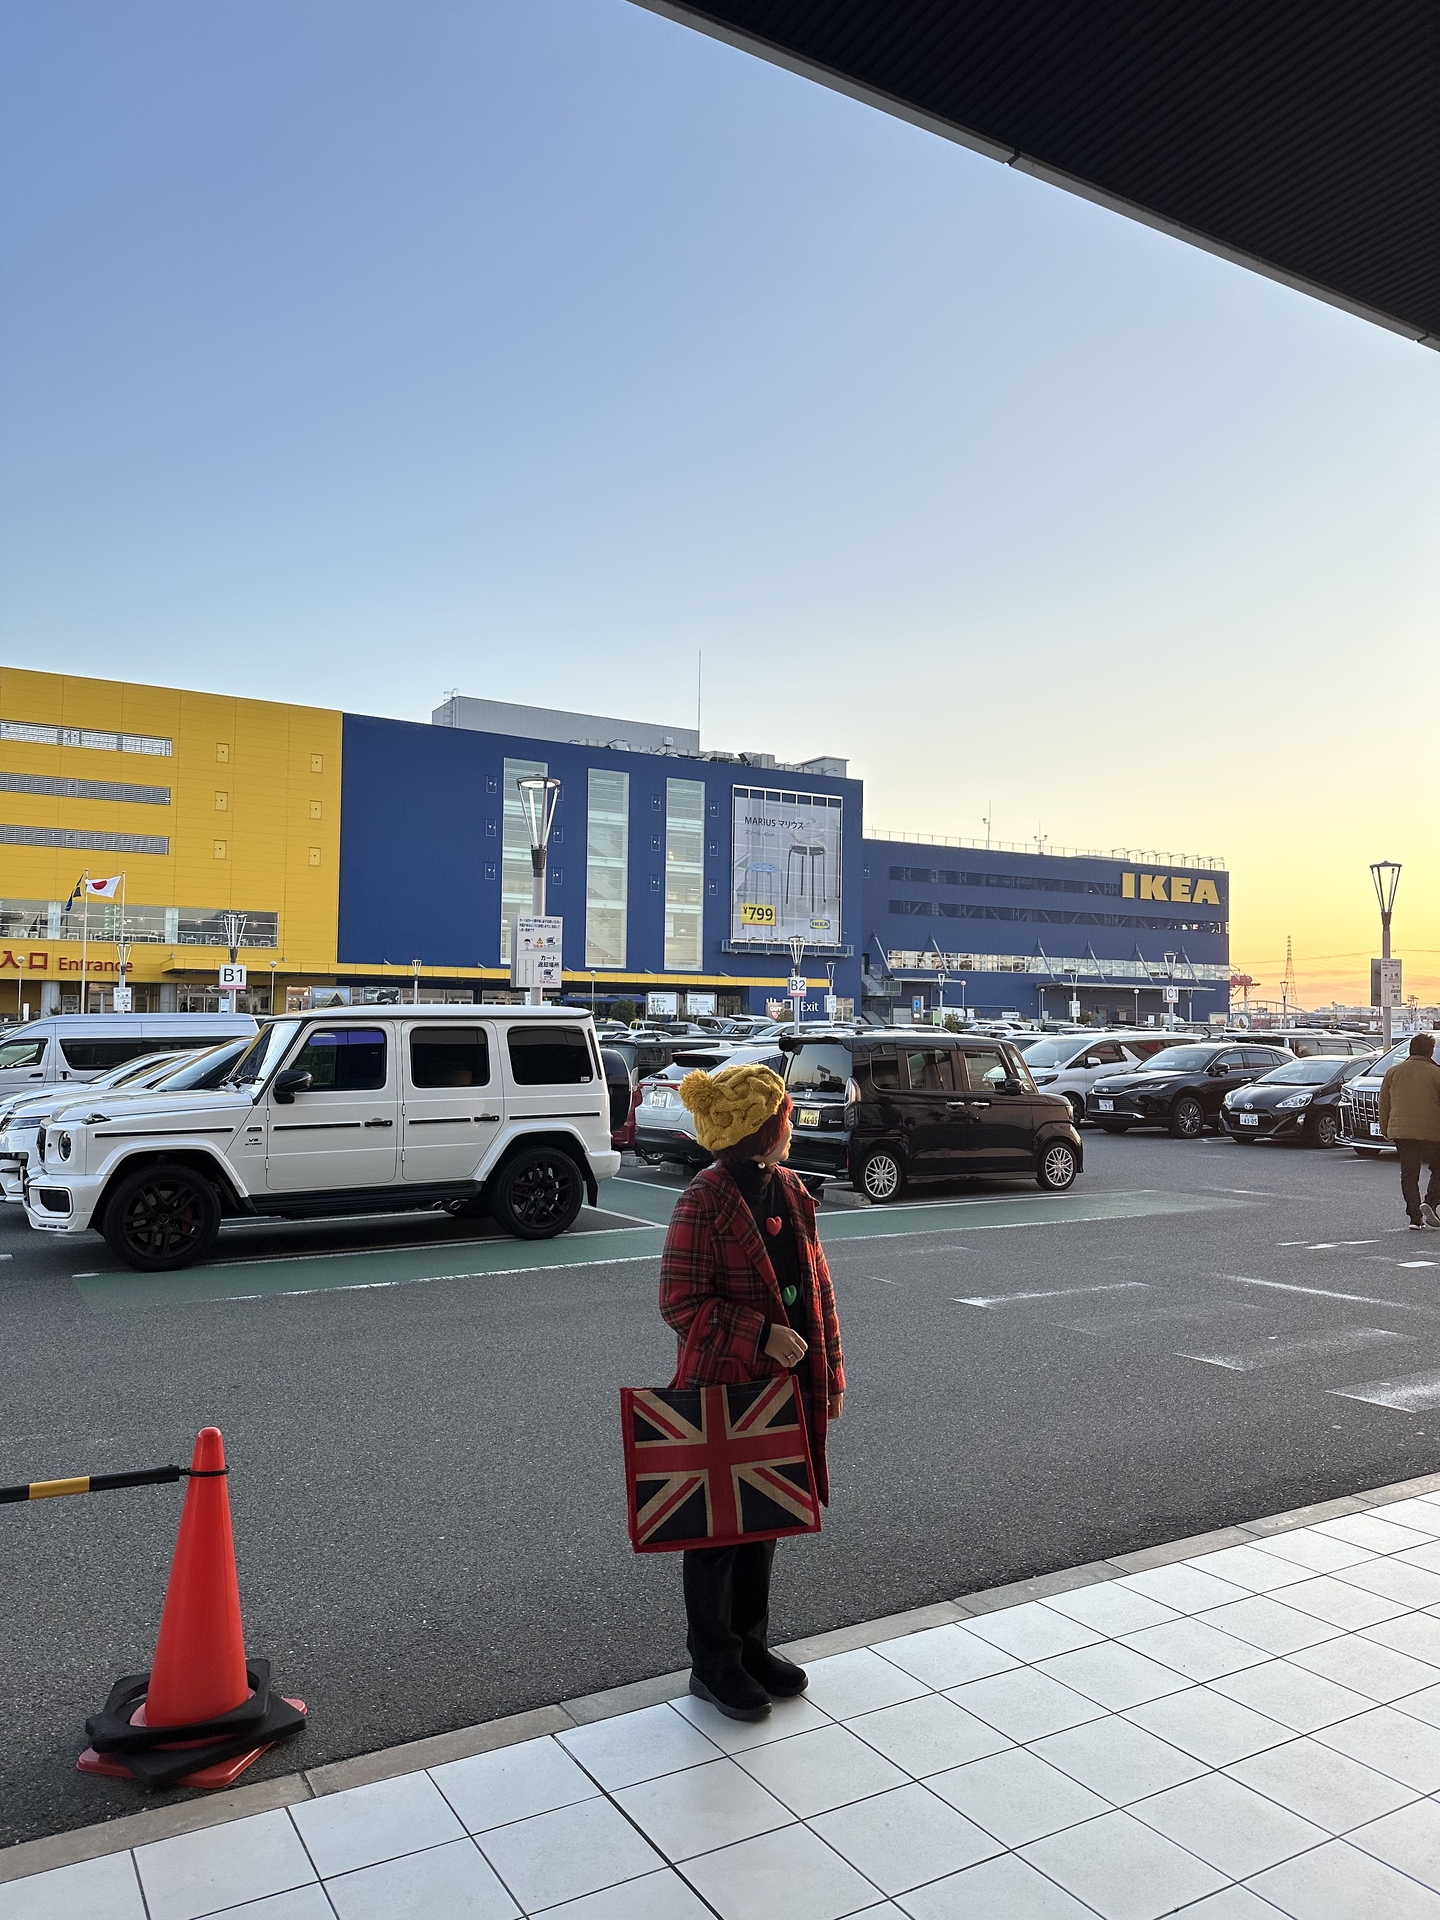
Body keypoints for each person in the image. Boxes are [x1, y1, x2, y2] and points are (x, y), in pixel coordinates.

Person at [658, 1062, 845, 1721]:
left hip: (781, 1390)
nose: (792, 1123)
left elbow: (818, 1292)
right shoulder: (703, 1200)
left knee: (764, 1521)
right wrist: (760, 1334)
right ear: (760, 1129)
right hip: (723, 1390)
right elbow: (679, 1303)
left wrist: (831, 1374)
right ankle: (712, 1665)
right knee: (717, 1535)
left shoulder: (790, 1189)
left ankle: (751, 1648)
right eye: (784, 1115)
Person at [1380, 1032, 1440, 1230]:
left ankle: (1415, 1218)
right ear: (1430, 1051)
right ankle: (1430, 1202)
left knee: (1409, 1174)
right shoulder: (1436, 1073)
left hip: (1402, 1132)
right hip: (1433, 1132)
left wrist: (1385, 1129)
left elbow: (1384, 1104)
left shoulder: (1393, 1072)